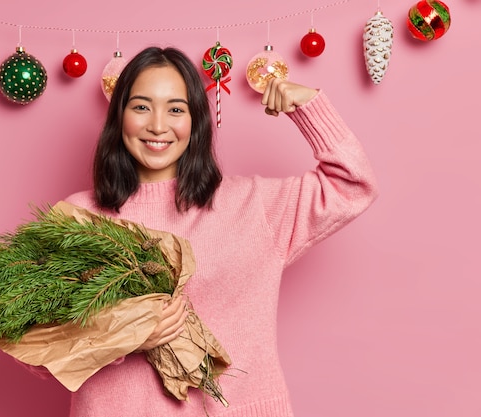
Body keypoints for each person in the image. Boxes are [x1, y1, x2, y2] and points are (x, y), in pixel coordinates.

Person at [61, 46, 378, 416]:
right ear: (119, 117)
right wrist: (122, 336)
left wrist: (309, 108)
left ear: (196, 121)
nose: (158, 125)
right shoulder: (77, 219)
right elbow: (33, 348)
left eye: (176, 109)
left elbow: (354, 185)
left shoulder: (254, 205)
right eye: (141, 106)